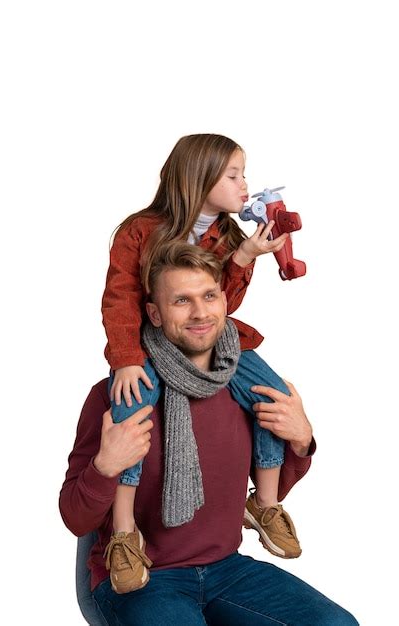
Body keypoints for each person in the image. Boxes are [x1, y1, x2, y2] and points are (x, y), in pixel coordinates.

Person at [60, 244, 358, 625]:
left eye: (209, 296)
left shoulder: (245, 388)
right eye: (182, 300)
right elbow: (75, 518)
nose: (200, 313)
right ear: (154, 313)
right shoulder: (120, 395)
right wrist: (105, 467)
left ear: (224, 301)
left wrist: (301, 441)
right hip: (144, 579)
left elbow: (251, 495)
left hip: (226, 570)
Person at [101, 134, 302, 592]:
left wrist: (247, 255)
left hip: (216, 342)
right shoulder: (141, 230)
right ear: (199, 177)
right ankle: (125, 532)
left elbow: (218, 309)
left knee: (270, 393)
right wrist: (128, 360)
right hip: (152, 342)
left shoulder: (229, 233)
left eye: (244, 173)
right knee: (133, 403)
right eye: (233, 175)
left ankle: (265, 502)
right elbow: (120, 298)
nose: (244, 184)